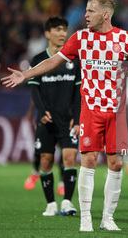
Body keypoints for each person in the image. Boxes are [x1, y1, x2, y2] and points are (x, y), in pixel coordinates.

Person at [2, 0, 128, 231]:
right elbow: (55, 61)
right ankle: (86, 218)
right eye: (86, 10)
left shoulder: (126, 39)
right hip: (91, 110)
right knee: (88, 160)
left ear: (105, 15)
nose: (85, 15)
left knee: (116, 164)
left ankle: (107, 219)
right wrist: (26, 74)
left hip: (117, 113)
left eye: (91, 11)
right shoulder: (80, 38)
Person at [23, 16, 81, 216]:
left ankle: (67, 202)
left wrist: (77, 117)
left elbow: (78, 93)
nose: (62, 34)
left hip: (68, 120)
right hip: (46, 120)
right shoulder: (38, 60)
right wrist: (41, 111)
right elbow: (34, 90)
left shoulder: (74, 60)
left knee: (70, 157)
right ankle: (50, 204)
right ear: (47, 34)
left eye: (64, 30)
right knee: (45, 161)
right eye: (57, 30)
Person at [23, 100, 65, 196]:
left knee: (64, 149)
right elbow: (36, 95)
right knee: (39, 147)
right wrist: (30, 112)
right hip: (44, 116)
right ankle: (35, 172)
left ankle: (62, 183)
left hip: (62, 115)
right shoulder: (45, 85)